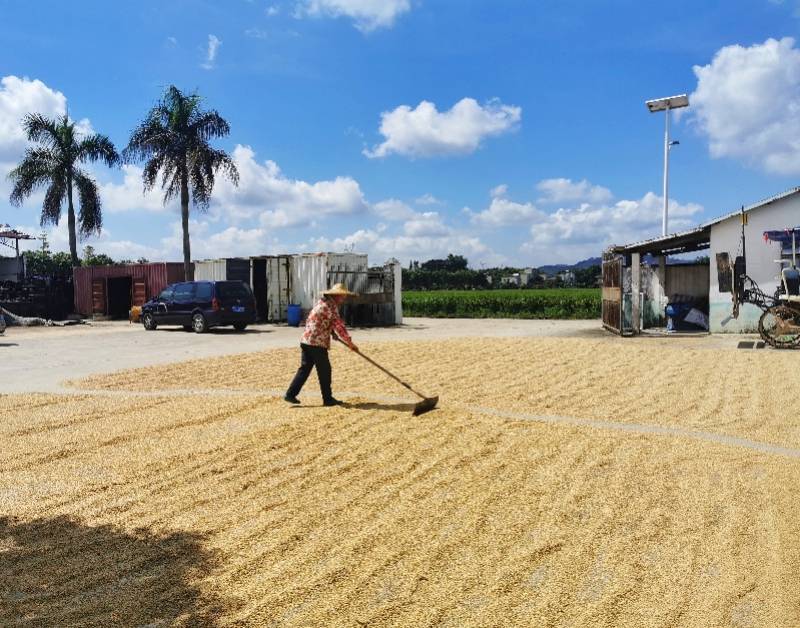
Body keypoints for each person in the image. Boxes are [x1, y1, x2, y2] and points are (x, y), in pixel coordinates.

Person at [284, 283, 359, 406]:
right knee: (325, 370)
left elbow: (322, 321)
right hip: (316, 343)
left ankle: (290, 394)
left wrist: (331, 332)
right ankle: (327, 399)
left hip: (306, 341)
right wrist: (350, 343)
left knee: (305, 368)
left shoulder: (322, 303)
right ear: (336, 295)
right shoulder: (330, 306)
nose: (344, 298)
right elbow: (339, 325)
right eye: (342, 296)